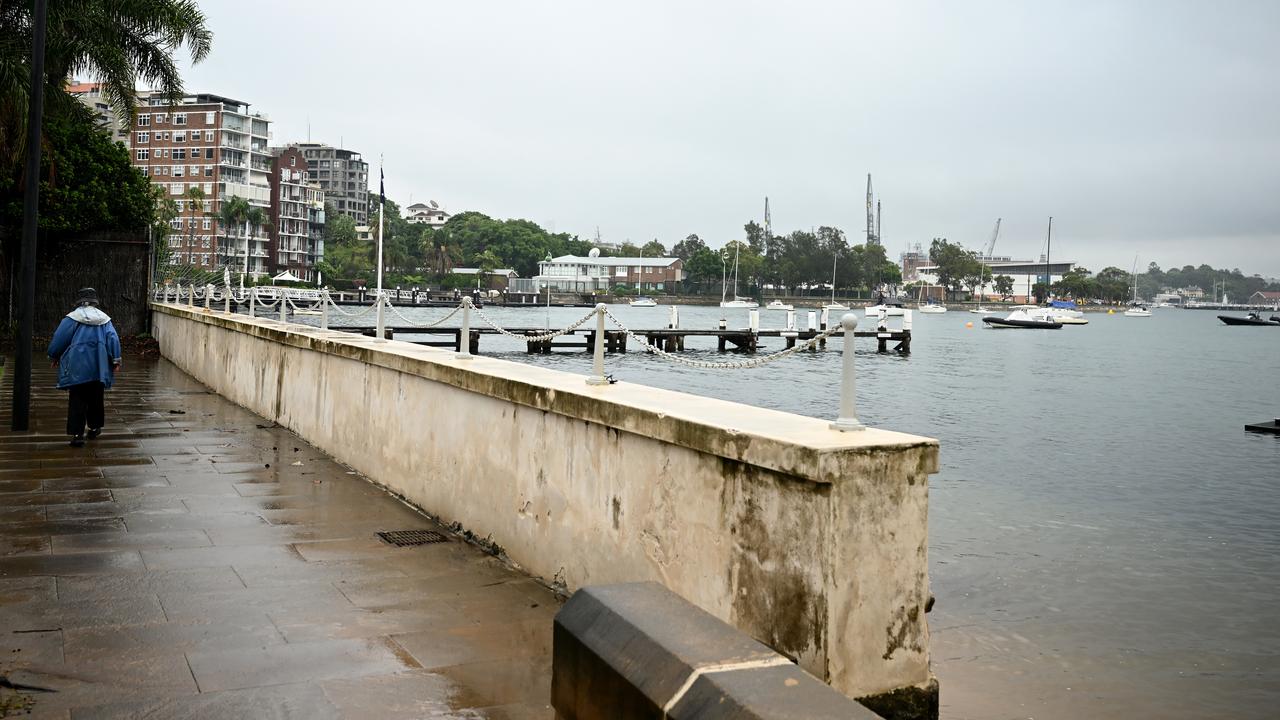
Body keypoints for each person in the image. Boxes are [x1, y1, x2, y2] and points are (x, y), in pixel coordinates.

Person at [47, 288, 121, 447]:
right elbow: (113, 339)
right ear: (96, 302)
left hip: (77, 367)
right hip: (99, 367)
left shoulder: (72, 319)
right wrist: (116, 360)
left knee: (77, 399)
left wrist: (54, 355)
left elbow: (59, 339)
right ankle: (94, 428)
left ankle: (77, 434)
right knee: (96, 398)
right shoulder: (105, 320)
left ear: (78, 302)